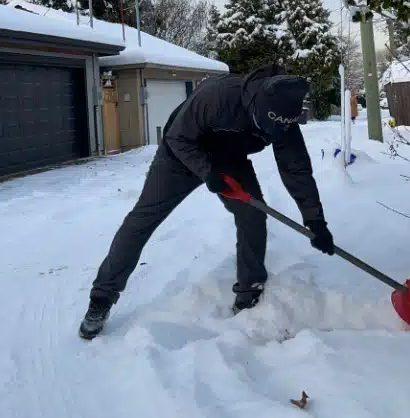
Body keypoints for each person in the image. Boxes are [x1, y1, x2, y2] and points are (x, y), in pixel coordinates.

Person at [79, 64, 335, 339]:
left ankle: (250, 291)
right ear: (259, 107)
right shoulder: (219, 96)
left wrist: (315, 220)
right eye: (269, 127)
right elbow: (178, 137)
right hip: (180, 154)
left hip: (229, 160)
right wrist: (206, 171)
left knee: (252, 215)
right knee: (144, 217)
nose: (275, 132)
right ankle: (102, 298)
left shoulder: (285, 118)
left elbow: (296, 169)